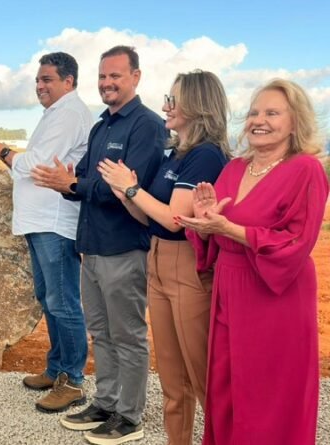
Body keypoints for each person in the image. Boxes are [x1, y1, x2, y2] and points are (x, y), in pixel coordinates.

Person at [175, 79, 328, 445]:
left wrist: (230, 228)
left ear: (295, 122)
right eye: (254, 112)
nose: (259, 120)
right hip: (230, 289)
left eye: (272, 113)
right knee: (227, 386)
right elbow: (210, 237)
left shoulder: (306, 169)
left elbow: (297, 241)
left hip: (275, 294)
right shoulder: (234, 168)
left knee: (269, 392)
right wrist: (206, 222)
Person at [32, 46, 166, 444]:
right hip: (91, 247)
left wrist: (74, 184)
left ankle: (129, 417)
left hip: (124, 249)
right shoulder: (102, 125)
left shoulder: (146, 126)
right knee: (102, 333)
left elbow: (124, 190)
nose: (107, 83)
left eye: (116, 76)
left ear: (136, 77)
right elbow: (89, 181)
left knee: (128, 336)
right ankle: (106, 402)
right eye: (103, 76)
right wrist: (70, 183)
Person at [98, 70, 230, 445]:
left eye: (173, 100)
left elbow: (176, 220)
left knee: (203, 379)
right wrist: (127, 195)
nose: (165, 107)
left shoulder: (206, 156)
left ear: (197, 105)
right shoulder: (177, 154)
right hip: (158, 263)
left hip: (186, 267)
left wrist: (133, 188)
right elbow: (149, 216)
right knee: (172, 381)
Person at [0, 52, 91, 413]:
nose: (40, 86)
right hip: (40, 222)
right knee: (48, 297)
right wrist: (13, 157)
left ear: (68, 81)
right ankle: (56, 367)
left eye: (48, 79)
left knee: (63, 301)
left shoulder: (70, 113)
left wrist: (1, 151)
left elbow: (37, 165)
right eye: (38, 80)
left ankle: (72, 379)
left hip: (55, 222)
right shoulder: (55, 113)